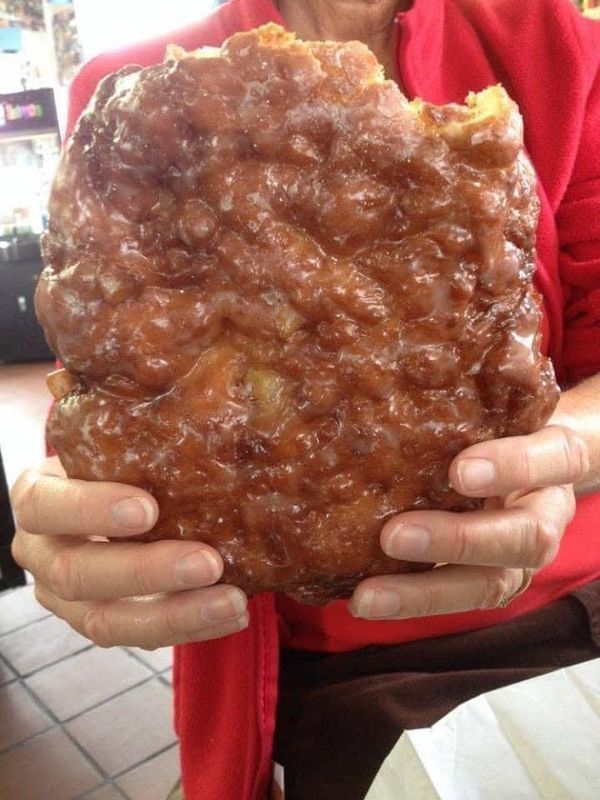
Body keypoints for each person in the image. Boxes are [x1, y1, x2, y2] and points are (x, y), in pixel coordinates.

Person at [10, 1, 600, 798]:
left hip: (572, 600)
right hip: (315, 669)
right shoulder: (138, 94)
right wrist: (88, 527)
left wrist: (570, 450)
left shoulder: (551, 38)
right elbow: (111, 384)